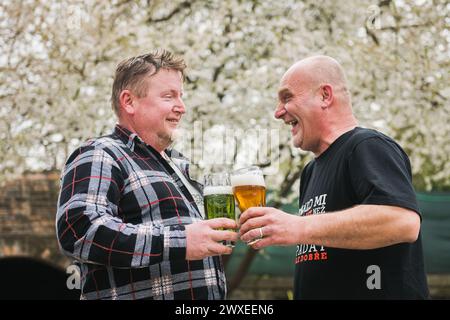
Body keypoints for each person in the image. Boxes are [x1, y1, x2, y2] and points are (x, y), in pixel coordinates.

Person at [239, 55, 430, 299]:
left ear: (325, 96)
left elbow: (403, 221)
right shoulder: (310, 171)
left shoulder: (366, 145)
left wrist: (297, 226)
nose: (278, 113)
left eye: (287, 97)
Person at [56, 50, 238, 300]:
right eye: (168, 96)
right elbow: (79, 230)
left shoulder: (176, 165)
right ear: (129, 101)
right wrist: (181, 241)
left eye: (181, 96)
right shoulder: (101, 153)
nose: (182, 107)